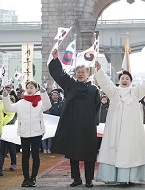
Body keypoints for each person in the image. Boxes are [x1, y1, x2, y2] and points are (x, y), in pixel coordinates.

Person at [94, 60, 145, 186]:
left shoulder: (135, 92)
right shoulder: (114, 92)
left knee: (129, 152)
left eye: (127, 78)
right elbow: (105, 83)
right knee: (114, 152)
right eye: (122, 78)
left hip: (130, 131)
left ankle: (129, 178)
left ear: (130, 81)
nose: (124, 80)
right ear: (119, 80)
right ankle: (112, 177)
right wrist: (99, 70)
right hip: (115, 131)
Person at [49, 48, 101, 188]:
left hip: (88, 127)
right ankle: (76, 178)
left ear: (87, 74)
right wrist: (55, 60)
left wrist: (93, 123)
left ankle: (89, 179)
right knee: (74, 153)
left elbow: (97, 107)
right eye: (78, 72)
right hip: (73, 125)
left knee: (89, 154)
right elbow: (60, 74)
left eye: (83, 72)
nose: (80, 74)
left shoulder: (94, 90)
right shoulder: (70, 84)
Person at [3, 81, 51, 187]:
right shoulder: (21, 102)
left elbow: (48, 105)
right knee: (25, 156)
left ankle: (33, 178)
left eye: (32, 88)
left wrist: (44, 93)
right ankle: (26, 178)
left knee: (35, 155)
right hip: (24, 132)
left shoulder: (39, 102)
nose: (29, 90)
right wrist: (5, 97)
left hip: (36, 132)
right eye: (28, 88)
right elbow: (9, 109)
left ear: (36, 90)